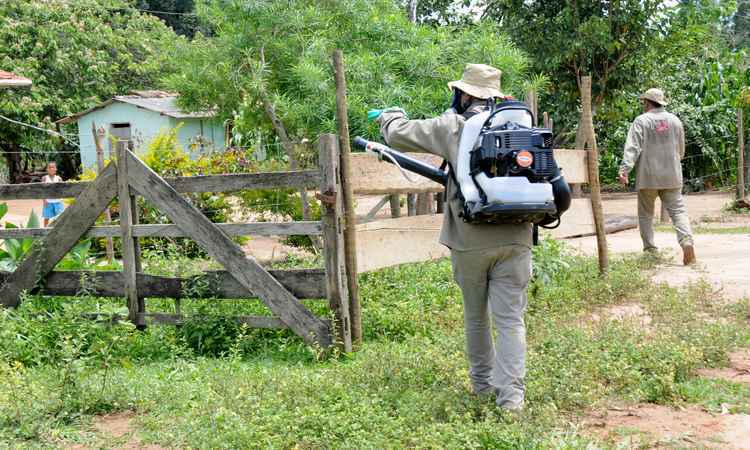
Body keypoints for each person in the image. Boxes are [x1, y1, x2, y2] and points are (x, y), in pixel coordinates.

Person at [372, 64, 532, 411]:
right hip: (518, 232)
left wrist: (389, 115)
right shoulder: (521, 124)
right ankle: (512, 400)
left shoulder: (455, 125)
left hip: (470, 237)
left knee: (476, 316)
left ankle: (482, 386)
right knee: (510, 320)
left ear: (463, 94)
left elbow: (398, 134)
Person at [618, 88, 696, 265]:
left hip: (648, 177)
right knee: (678, 212)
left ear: (647, 103)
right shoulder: (675, 121)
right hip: (672, 176)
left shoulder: (641, 121)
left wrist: (624, 170)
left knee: (646, 214)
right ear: (661, 102)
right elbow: (681, 150)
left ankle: (651, 251)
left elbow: (633, 148)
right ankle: (687, 243)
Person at [41, 161, 64, 227]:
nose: (51, 169)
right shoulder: (44, 178)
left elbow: (62, 190)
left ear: (56, 169)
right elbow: (42, 190)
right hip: (48, 202)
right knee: (46, 217)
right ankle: (45, 230)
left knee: (60, 218)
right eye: (50, 167)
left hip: (58, 201)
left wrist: (61, 200)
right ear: (47, 169)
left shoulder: (59, 178)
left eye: (53, 167)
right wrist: (44, 200)